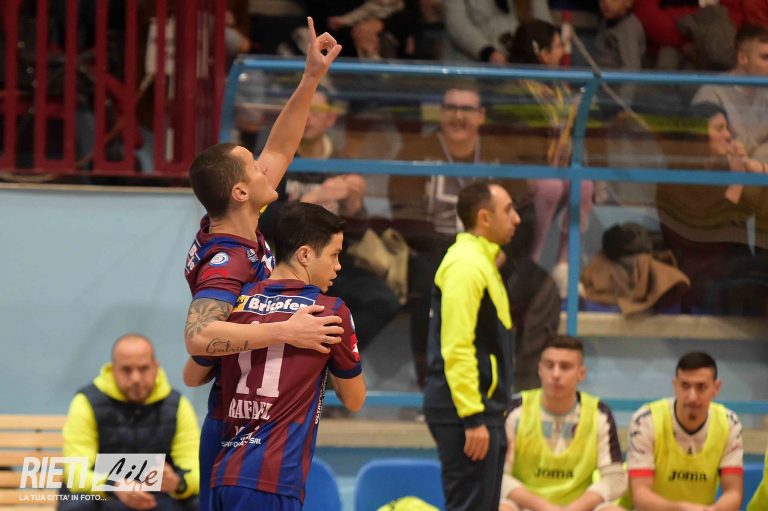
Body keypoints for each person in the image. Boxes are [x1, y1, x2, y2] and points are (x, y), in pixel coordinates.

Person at [181, 18, 343, 511]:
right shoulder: (227, 259)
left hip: (252, 413)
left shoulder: (240, 218)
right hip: (233, 425)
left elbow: (280, 146)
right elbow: (199, 338)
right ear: (240, 191)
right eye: (253, 167)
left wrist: (310, 78)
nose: (265, 165)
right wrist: (287, 331)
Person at [208, 201, 366, 511]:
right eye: (334, 255)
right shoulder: (329, 312)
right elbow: (355, 399)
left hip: (224, 471)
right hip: (273, 476)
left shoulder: (237, 301)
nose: (338, 266)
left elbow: (193, 374)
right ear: (305, 254)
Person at [390, 83, 531, 386]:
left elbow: (525, 213)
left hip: (494, 254)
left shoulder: (500, 156)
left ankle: (521, 386)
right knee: (426, 287)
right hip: (434, 254)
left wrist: (505, 252)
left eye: (467, 109)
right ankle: (429, 381)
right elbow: (405, 216)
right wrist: (459, 253)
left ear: (481, 115)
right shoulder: (415, 153)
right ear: (440, 113)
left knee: (540, 288)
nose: (458, 116)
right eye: (451, 108)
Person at [258, 88, 402, 349]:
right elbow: (262, 221)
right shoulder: (278, 161)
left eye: (316, 111)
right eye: (303, 110)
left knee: (383, 301)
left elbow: (356, 236)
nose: (307, 118)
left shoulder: (341, 161)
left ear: (331, 119)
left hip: (334, 263)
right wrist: (314, 198)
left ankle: (333, 355)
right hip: (286, 263)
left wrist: (354, 209)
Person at [423, 181, 520, 511]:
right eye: (508, 210)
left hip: (481, 407)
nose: (517, 218)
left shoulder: (481, 262)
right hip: (464, 409)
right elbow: (457, 345)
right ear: (484, 217)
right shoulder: (466, 265)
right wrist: (472, 416)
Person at [60, 334, 200, 511]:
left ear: (156, 367)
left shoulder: (178, 405)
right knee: (78, 504)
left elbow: (195, 469)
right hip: (106, 494)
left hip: (160, 496)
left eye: (143, 369)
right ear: (113, 370)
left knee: (201, 502)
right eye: (126, 370)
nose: (135, 378)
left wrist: (178, 483)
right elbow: (76, 473)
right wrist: (113, 485)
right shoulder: (86, 402)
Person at [507, 19, 593, 298]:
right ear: (542, 54)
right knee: (551, 186)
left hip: (552, 166)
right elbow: (512, 142)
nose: (561, 53)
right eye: (557, 47)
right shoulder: (513, 88)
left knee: (584, 184)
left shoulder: (560, 89)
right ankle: (532, 265)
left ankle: (564, 266)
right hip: (515, 168)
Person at [655, 102, 762, 314]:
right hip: (697, 271)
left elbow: (756, 207)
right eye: (719, 129)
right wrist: (737, 182)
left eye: (727, 128)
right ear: (698, 135)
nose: (728, 135)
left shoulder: (726, 169)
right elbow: (706, 233)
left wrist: (750, 166)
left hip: (738, 265)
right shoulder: (675, 177)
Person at [499, 336, 627, 511]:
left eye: (565, 367)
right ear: (539, 370)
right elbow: (497, 475)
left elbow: (615, 478)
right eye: (549, 366)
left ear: (581, 373)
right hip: (526, 506)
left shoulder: (599, 414)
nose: (556, 374)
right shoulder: (515, 411)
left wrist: (573, 508)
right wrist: (545, 507)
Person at [622, 351, 744, 511]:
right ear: (675, 386)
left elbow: (733, 492)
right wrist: (681, 509)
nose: (692, 397)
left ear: (716, 388)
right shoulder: (646, 420)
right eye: (685, 386)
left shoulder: (729, 423)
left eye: (701, 387)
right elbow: (641, 496)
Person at [693, 24, 768, 161]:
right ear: (742, 58)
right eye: (765, 58)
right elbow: (709, 152)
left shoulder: (765, 88)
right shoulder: (711, 93)